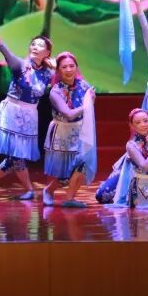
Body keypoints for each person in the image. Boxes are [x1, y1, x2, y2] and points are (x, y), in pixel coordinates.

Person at [0, 30, 55, 200]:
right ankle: (29, 190)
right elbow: (6, 53)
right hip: (13, 113)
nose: (35, 47)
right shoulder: (20, 65)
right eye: (33, 44)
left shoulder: (48, 73)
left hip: (30, 115)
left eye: (40, 45)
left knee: (15, 156)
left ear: (47, 53)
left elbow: (62, 84)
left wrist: (55, 68)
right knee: (17, 155)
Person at [42, 52, 96, 208]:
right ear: (58, 70)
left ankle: (70, 198)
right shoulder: (55, 91)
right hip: (62, 133)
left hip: (81, 131)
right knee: (66, 173)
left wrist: (90, 101)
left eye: (72, 66)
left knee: (82, 165)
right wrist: (88, 105)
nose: (68, 70)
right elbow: (69, 114)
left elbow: (91, 99)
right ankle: (48, 190)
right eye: (64, 67)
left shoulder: (83, 85)